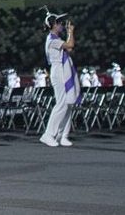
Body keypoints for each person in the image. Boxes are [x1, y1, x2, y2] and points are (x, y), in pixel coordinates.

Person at [39, 11, 80, 148]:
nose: (62, 24)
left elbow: (69, 50)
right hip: (59, 71)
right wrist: (70, 32)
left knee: (69, 103)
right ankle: (48, 134)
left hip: (65, 69)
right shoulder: (52, 40)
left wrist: (69, 36)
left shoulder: (57, 39)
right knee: (62, 103)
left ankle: (62, 135)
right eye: (59, 23)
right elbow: (70, 46)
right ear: (53, 25)